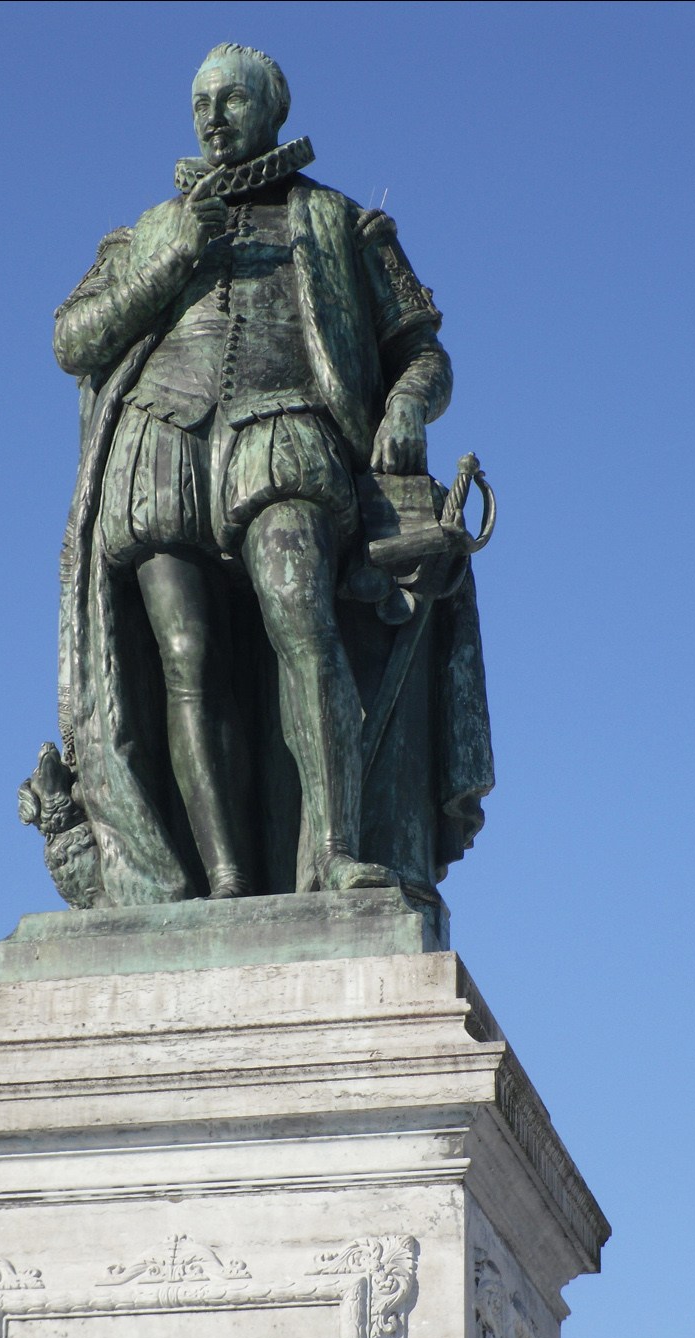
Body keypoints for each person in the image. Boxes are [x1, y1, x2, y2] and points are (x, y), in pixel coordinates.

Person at [43, 43, 492, 910]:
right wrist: (168, 265)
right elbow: (72, 340)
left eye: (231, 99)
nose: (212, 116)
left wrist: (403, 409)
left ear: (273, 110)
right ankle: (225, 883)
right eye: (200, 101)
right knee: (185, 658)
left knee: (301, 620)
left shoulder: (340, 221)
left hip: (282, 429)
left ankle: (332, 854)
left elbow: (423, 353)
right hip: (158, 440)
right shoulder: (143, 232)